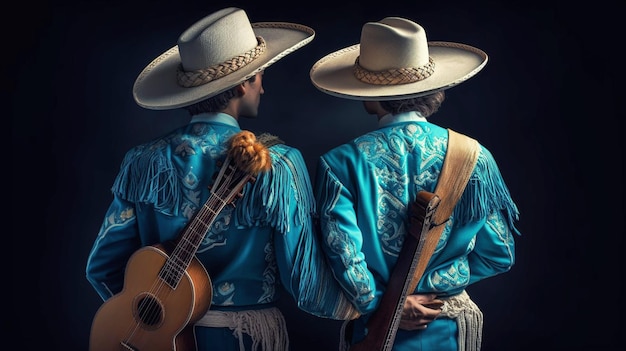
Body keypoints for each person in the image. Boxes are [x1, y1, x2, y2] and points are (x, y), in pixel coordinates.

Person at [85, 7, 327, 351]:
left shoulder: (143, 161)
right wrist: (370, 305)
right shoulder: (281, 164)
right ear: (243, 82)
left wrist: (149, 318)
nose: (263, 88)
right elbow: (305, 283)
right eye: (260, 76)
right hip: (246, 338)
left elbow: (102, 268)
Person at [308, 16, 521, 350]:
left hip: (375, 331)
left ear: (369, 93)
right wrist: (438, 286)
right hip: (447, 328)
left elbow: (344, 258)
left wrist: (388, 303)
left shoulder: (339, 164)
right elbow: (500, 253)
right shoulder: (475, 158)